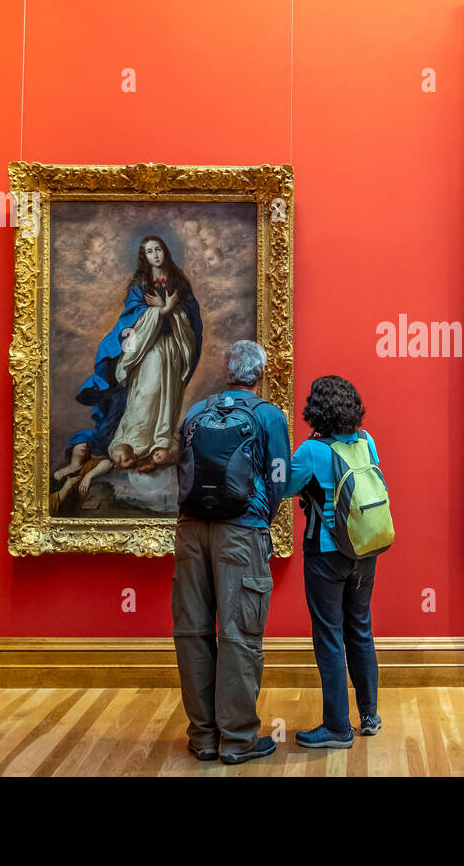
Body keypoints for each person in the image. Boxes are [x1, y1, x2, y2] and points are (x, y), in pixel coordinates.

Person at [172, 340, 290, 765]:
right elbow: (279, 476)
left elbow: (181, 467)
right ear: (260, 374)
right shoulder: (267, 415)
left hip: (189, 532)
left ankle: (203, 736)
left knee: (192, 632)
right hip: (241, 534)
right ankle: (238, 739)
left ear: (227, 371)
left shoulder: (196, 412)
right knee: (239, 633)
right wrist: (262, 513)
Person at [282, 376, 383, 749]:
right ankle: (369, 715)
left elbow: (285, 488)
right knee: (360, 629)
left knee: (329, 636)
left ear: (316, 411)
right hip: (365, 551)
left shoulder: (312, 451)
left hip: (326, 555)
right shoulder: (367, 441)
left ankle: (337, 728)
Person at [65, 234, 203, 504]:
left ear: (165, 252)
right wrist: (161, 311)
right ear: (144, 257)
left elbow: (190, 318)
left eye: (158, 250)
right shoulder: (140, 286)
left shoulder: (179, 283)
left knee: (168, 398)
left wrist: (172, 309)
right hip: (148, 350)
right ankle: (134, 443)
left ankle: (159, 445)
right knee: (146, 394)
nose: (155, 255)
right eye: (150, 251)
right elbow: (133, 317)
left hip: (173, 346)